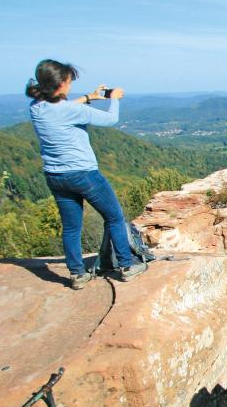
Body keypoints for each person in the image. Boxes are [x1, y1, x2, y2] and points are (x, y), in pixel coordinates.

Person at [26, 59, 146, 289]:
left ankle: (77, 274)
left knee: (71, 227)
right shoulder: (72, 110)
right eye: (69, 81)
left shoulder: (36, 107)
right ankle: (127, 265)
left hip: (55, 177)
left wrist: (89, 97)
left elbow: (60, 108)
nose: (71, 85)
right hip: (83, 174)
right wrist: (114, 99)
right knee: (114, 217)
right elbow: (111, 119)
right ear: (61, 84)